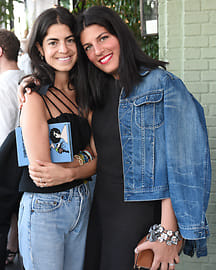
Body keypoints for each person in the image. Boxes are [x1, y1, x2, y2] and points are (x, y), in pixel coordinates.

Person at [18, 5, 211, 270]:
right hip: (97, 212)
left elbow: (182, 164)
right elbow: (93, 150)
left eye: (103, 38)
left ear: (120, 35)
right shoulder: (96, 90)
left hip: (138, 214)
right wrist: (31, 82)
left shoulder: (162, 84)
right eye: (87, 47)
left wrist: (168, 232)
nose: (97, 51)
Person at [17, 6, 96, 270]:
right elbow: (44, 170)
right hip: (45, 208)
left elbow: (101, 156)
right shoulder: (34, 98)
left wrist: (73, 170)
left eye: (69, 39)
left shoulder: (87, 90)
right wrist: (84, 160)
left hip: (83, 201)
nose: (63, 49)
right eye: (53, 42)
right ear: (40, 48)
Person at [0, 29, 25, 267]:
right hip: (26, 159)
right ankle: (12, 248)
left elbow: (4, 130)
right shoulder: (26, 77)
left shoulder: (3, 84)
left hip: (8, 159)